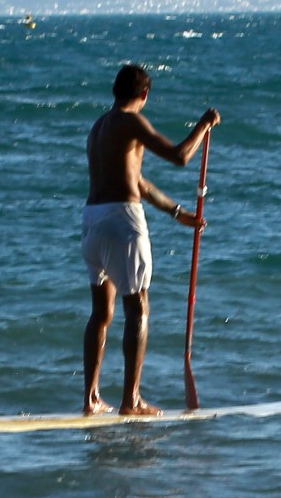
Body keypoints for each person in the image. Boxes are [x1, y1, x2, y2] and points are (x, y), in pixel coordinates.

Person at [83, 63, 216, 416]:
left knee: (101, 313)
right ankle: (132, 400)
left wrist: (176, 211)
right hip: (122, 221)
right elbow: (180, 156)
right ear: (144, 95)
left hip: (92, 221)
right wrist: (203, 125)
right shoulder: (131, 121)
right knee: (138, 305)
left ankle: (92, 398)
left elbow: (137, 180)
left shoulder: (99, 127)